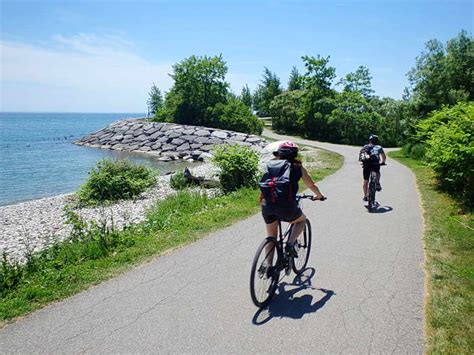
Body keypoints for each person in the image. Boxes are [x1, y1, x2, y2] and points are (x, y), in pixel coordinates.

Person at [260, 141, 325, 257]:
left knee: (271, 237)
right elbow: (311, 185)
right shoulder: (297, 167)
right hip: (286, 206)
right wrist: (319, 196)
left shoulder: (270, 165)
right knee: (301, 220)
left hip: (267, 204)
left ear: (278, 153)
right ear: (295, 155)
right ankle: (290, 244)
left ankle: (268, 267)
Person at [360, 134, 386, 201]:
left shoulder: (365, 146)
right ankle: (377, 183)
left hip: (366, 164)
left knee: (365, 181)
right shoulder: (379, 147)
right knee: (378, 172)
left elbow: (362, 155)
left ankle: (365, 196)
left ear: (370, 140)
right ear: (376, 141)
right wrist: (383, 162)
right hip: (375, 164)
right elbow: (383, 157)